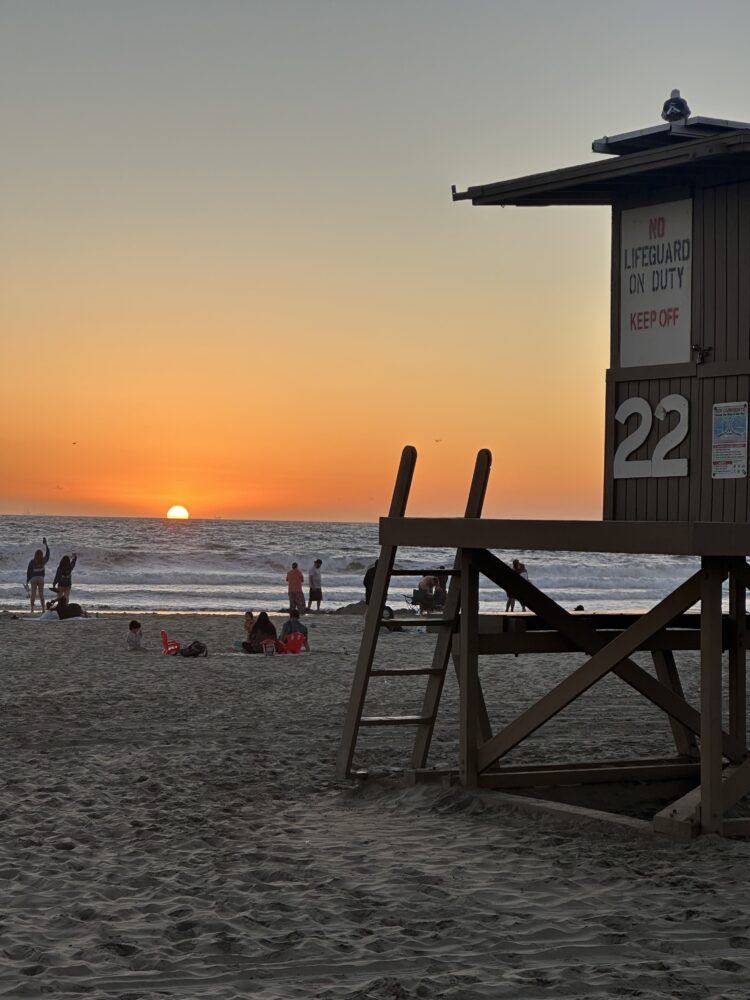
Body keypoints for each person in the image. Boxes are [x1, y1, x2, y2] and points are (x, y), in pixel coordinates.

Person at [26, 537, 50, 614]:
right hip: (41, 579)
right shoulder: (43, 561)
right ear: (41, 555)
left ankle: (32, 609)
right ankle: (43, 609)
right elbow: (48, 554)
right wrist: (46, 545)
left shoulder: (32, 562)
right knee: (41, 594)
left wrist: (27, 580)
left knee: (33, 594)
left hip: (33, 579)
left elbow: (29, 571)